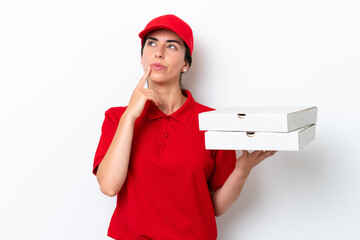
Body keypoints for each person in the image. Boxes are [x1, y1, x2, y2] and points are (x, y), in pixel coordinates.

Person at [92, 14, 276, 240]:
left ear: (186, 64)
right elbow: (109, 186)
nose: (159, 52)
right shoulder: (117, 117)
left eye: (171, 46)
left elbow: (215, 207)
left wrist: (242, 170)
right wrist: (130, 116)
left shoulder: (212, 121)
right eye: (152, 43)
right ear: (142, 57)